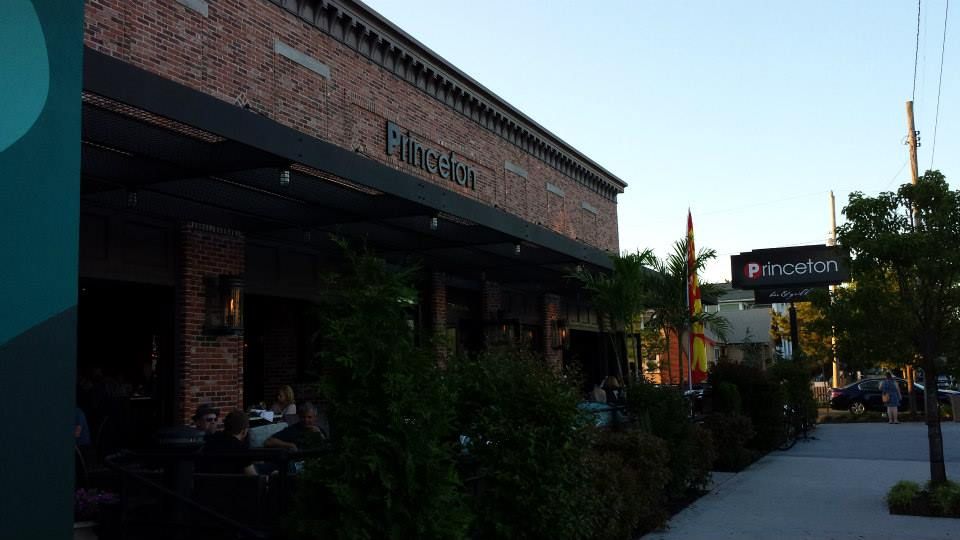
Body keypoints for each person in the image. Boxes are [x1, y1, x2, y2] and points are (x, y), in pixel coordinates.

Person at [201, 409, 257, 476]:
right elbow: (253, 477)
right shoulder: (241, 449)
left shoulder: (210, 440)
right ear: (244, 431)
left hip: (206, 481)